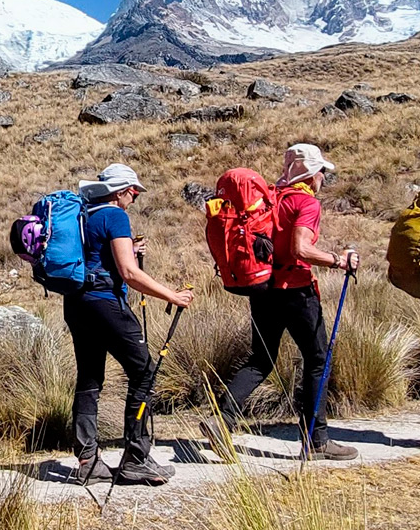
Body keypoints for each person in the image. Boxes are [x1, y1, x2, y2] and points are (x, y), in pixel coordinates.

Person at [202, 144, 361, 461]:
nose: (323, 179)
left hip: (263, 288)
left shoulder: (270, 200)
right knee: (317, 359)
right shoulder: (305, 203)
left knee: (261, 359)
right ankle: (317, 440)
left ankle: (222, 420)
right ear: (312, 174)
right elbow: (301, 248)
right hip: (296, 290)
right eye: (322, 173)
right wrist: (338, 261)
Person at [68, 164, 195, 486]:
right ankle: (136, 458)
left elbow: (96, 256)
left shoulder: (84, 214)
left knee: (90, 379)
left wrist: (130, 250)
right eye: (134, 192)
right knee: (143, 373)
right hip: (106, 305)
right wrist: (172, 295)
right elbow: (129, 273)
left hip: (77, 304)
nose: (135, 198)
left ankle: (87, 461)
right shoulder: (114, 216)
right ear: (122, 191)